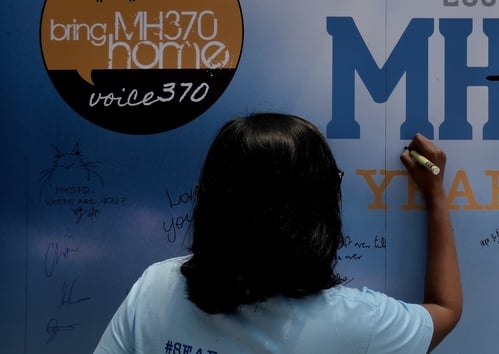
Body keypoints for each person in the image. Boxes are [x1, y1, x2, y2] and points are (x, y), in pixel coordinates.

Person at [94, 112, 461, 353]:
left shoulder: (155, 288)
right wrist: (434, 192)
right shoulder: (359, 323)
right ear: (316, 211)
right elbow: (446, 309)